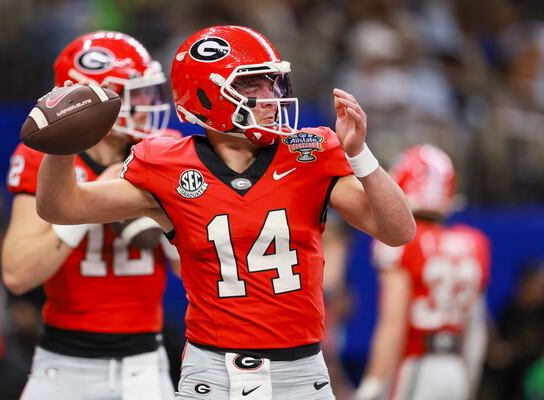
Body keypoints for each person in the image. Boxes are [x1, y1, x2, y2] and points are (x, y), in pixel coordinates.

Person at [36, 25, 415, 400]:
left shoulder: (309, 154)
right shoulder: (166, 166)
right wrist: (62, 145)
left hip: (301, 374)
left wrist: (360, 155)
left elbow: (398, 231)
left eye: (272, 83)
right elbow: (63, 207)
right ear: (206, 94)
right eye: (253, 85)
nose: (270, 97)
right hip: (212, 374)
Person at [1, 31, 181, 400]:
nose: (149, 105)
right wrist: (85, 203)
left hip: (145, 363)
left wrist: (171, 223)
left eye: (150, 92)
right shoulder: (46, 158)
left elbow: (195, 267)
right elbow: (17, 274)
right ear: (92, 98)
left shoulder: (159, 153)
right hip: (65, 363)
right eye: (137, 94)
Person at [357, 145, 491, 400]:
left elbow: (393, 325)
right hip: (456, 370)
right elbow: (476, 332)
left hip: (415, 365)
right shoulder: (474, 243)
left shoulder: (401, 243)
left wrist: (371, 386)